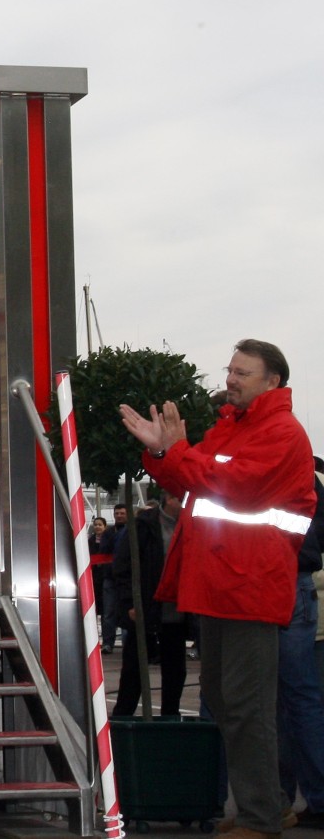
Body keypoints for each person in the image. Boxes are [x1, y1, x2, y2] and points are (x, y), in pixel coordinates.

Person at [120, 339, 317, 839]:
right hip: (221, 584)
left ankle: (261, 817)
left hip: (248, 585)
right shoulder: (235, 426)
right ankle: (267, 805)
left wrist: (174, 451)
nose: (230, 379)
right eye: (230, 370)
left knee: (246, 704)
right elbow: (188, 477)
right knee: (226, 699)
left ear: (272, 382)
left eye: (242, 373)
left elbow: (224, 482)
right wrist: (161, 451)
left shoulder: (280, 431)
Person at [276, 458, 324, 827]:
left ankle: (282, 800)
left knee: (290, 701)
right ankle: (294, 799)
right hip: (298, 586)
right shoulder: (308, 475)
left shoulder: (283, 465)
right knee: (300, 699)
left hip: (285, 581)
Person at [110, 491, 188, 717]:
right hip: (146, 609)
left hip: (176, 612)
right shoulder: (143, 525)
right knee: (134, 669)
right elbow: (123, 566)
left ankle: (170, 718)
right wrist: (130, 604)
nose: (181, 504)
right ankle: (122, 717)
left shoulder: (190, 525)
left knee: (175, 670)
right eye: (178, 498)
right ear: (167, 497)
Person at [100, 503, 128, 652]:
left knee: (126, 611)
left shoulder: (131, 531)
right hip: (110, 577)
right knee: (109, 612)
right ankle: (108, 643)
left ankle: (127, 642)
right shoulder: (109, 533)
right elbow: (103, 551)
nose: (119, 516)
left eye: (122, 513)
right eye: (117, 513)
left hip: (125, 578)